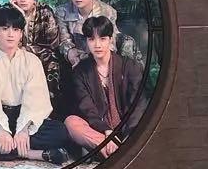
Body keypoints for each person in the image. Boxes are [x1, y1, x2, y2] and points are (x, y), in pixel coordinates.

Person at [0, 5, 72, 164]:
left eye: (16, 30)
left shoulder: (32, 61)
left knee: (59, 132)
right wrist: (0, 130)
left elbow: (36, 100)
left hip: (23, 115)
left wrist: (24, 130)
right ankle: (34, 154)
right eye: (5, 29)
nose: (11, 34)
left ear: (21, 33)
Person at [64, 16, 149, 159]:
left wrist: (128, 134)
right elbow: (87, 108)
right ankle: (114, 150)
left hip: (128, 130)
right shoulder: (81, 71)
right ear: (87, 41)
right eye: (92, 39)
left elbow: (137, 105)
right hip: (100, 131)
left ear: (110, 39)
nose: (97, 45)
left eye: (102, 39)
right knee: (71, 122)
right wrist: (107, 131)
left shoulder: (130, 66)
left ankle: (111, 151)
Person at [56, 0, 143, 67]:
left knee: (127, 42)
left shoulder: (108, 12)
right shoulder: (62, 12)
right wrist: (70, 51)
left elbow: (111, 42)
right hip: (75, 59)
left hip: (101, 58)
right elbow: (64, 40)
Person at [8, 0, 62, 100]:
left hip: (42, 57)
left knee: (52, 62)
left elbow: (53, 44)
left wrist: (27, 50)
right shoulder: (6, 11)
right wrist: (19, 16)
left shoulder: (45, 11)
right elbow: (7, 42)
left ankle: (49, 104)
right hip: (13, 54)